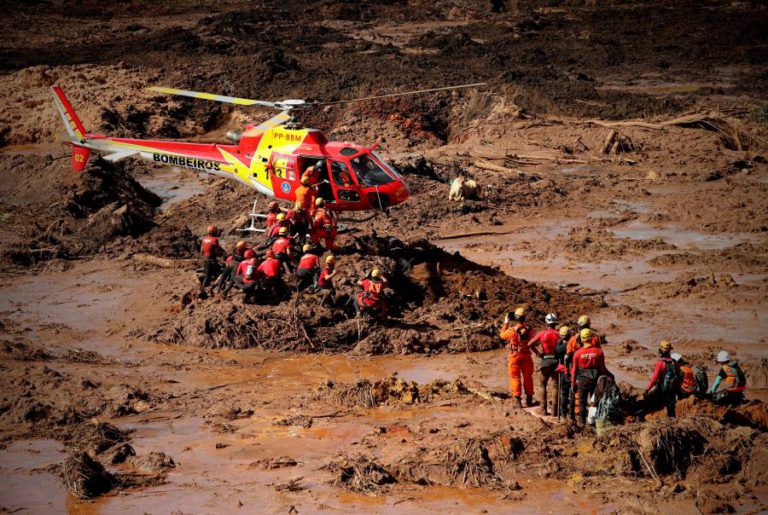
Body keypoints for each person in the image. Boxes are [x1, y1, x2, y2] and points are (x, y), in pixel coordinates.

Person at [571, 331, 612, 428]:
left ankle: (581, 423)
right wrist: (609, 376)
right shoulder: (598, 352)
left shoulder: (577, 353)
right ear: (591, 338)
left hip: (583, 380)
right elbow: (603, 369)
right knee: (594, 402)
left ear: (581, 339)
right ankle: (592, 424)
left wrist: (573, 383)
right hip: (595, 380)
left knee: (582, 402)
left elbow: (574, 371)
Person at [500, 307, 536, 409]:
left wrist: (506, 322)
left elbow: (502, 335)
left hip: (515, 356)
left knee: (515, 378)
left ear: (516, 319)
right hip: (527, 356)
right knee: (528, 377)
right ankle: (529, 399)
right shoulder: (530, 329)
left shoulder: (512, 331)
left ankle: (517, 401)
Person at [529, 313, 560, 415]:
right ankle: (555, 411)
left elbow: (530, 344)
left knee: (542, 385)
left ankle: (543, 409)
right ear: (555, 323)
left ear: (546, 323)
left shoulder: (542, 333)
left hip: (546, 360)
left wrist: (537, 353)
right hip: (556, 360)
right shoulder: (559, 333)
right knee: (555, 386)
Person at [643, 340, 679, 417]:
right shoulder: (674, 362)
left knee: (650, 402)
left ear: (660, 351)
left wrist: (647, 390)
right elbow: (678, 374)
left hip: (663, 389)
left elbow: (654, 379)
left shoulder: (660, 363)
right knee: (671, 407)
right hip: (672, 389)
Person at [200, 225, 225, 289]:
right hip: (211, 260)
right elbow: (217, 252)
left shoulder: (204, 239)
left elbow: (202, 251)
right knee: (210, 275)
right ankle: (203, 288)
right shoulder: (215, 240)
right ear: (214, 232)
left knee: (208, 273)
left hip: (205, 259)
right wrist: (221, 254)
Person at [555, 325, 572, 418]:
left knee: (564, 393)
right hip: (572, 370)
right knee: (573, 393)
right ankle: (573, 413)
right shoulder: (572, 345)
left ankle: (563, 414)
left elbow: (556, 356)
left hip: (563, 371)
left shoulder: (559, 347)